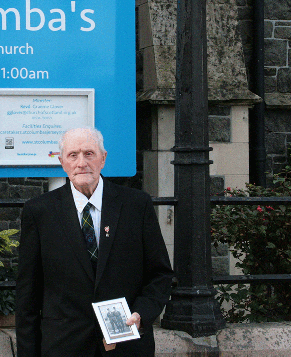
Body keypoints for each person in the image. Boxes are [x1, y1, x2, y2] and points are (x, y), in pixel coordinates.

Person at [15, 127, 174, 357]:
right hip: (64, 346)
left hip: (127, 347)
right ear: (62, 162)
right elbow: (27, 294)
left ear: (103, 158)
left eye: (89, 153)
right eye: (73, 155)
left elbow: (160, 274)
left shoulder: (136, 205)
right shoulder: (39, 212)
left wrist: (141, 314)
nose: (81, 163)